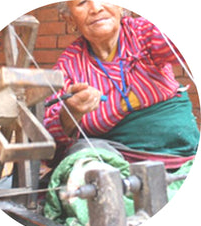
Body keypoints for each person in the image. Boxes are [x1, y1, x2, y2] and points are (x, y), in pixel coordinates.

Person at [43, 0, 199, 171]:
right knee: (83, 158)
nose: (96, 8)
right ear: (70, 18)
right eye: (82, 3)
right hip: (114, 167)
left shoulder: (142, 33)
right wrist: (70, 113)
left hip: (180, 156)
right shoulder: (68, 66)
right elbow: (49, 143)